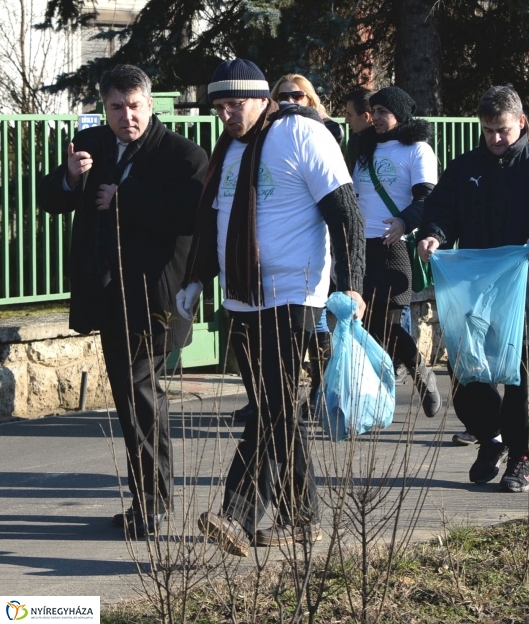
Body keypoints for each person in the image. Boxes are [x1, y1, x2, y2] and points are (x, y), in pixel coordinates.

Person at [178, 59, 366, 556]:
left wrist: (352, 286)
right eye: (219, 107)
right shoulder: (231, 149)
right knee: (277, 410)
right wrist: (197, 278)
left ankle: (235, 515)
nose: (226, 115)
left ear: (263, 98)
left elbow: (345, 214)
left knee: (271, 408)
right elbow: (215, 220)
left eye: (234, 105)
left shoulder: (302, 135)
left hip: (294, 293)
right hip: (243, 299)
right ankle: (301, 518)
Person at [39, 64, 208, 536]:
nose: (126, 117)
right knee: (132, 399)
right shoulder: (90, 146)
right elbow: (49, 200)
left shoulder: (182, 155)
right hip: (108, 296)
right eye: (116, 107)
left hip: (154, 297)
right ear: (105, 108)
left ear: (149, 105)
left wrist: (124, 198)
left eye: (134, 107)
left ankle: (153, 504)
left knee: (139, 396)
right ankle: (148, 499)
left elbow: (190, 215)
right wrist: (70, 178)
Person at [418, 85, 529, 492]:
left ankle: (522, 455)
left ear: (521, 123)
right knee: (469, 370)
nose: (495, 139)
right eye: (488, 130)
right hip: (475, 290)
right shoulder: (464, 167)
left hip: (528, 288)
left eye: (503, 130)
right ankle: (490, 439)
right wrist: (434, 235)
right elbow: (441, 210)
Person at [352, 86, 443, 418]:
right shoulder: (364, 151)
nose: (374, 117)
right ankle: (369, 398)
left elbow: (426, 199)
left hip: (395, 245)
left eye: (382, 112)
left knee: (386, 323)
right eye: (372, 110)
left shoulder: (417, 150)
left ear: (400, 115)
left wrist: (404, 223)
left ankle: (422, 376)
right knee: (365, 327)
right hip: (361, 247)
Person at [272, 73, 343, 143]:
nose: (289, 101)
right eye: (283, 97)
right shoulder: (269, 127)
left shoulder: (330, 128)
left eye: (297, 95)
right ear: (276, 100)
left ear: (310, 100)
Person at [344, 88, 374, 172]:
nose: (346, 120)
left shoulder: (355, 142)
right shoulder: (354, 140)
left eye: (349, 115)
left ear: (366, 117)